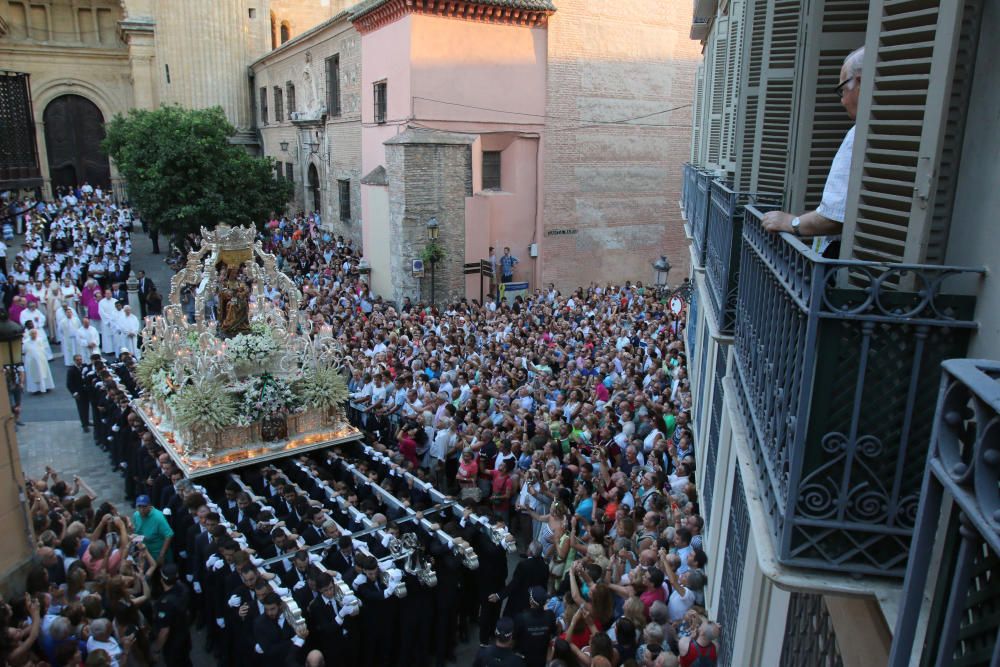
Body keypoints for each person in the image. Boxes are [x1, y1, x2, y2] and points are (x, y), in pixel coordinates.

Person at [761, 47, 864, 257]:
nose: (842, 100)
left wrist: (792, 223)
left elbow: (834, 217)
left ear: (860, 82)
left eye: (843, 89)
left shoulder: (861, 135)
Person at [513, 586, 557, 667]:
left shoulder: (521, 618)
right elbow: (554, 633)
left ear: (530, 601)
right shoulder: (550, 615)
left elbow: (514, 638)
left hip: (524, 659)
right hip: (541, 659)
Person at [132, 495, 174, 567]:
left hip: (158, 553)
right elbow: (137, 532)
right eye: (139, 506)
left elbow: (169, 534)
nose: (141, 509)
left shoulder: (158, 517)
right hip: (145, 552)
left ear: (149, 506)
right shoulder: (136, 515)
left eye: (144, 506)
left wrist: (161, 555)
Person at [23, 328, 54, 394]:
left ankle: (46, 387)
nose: (34, 335)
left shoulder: (40, 340)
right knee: (33, 374)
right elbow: (24, 351)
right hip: (31, 361)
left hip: (41, 360)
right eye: (32, 334)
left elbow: (42, 348)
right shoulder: (26, 342)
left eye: (35, 333)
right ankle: (35, 389)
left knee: (43, 372)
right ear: (30, 334)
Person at [66, 354, 90, 431]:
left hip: (86, 391)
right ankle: (84, 425)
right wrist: (74, 392)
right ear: (74, 361)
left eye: (80, 359)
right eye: (77, 360)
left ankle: (87, 421)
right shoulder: (71, 370)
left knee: (86, 407)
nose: (79, 361)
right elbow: (69, 383)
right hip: (79, 393)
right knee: (81, 408)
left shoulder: (85, 367)